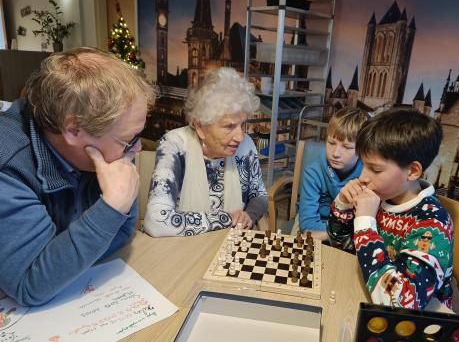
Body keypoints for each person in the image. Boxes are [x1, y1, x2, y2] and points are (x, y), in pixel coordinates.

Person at [0, 47, 155, 306]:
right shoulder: (8, 165)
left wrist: (59, 262)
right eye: (129, 140)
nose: (137, 149)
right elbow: (30, 286)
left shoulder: (100, 147)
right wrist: (112, 206)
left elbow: (119, 236)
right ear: (73, 130)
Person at [327, 107, 454, 310]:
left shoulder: (433, 223)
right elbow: (342, 246)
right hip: (367, 293)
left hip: (418, 319)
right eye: (364, 165)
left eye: (375, 169)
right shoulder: (381, 196)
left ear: (412, 171)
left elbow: (401, 302)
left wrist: (365, 224)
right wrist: (343, 204)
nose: (363, 177)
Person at [144, 67, 267, 237]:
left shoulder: (246, 146)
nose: (240, 136)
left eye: (242, 124)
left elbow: (259, 195)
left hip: (229, 244)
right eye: (229, 126)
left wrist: (249, 215)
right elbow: (156, 221)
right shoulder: (175, 144)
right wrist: (226, 218)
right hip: (179, 247)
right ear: (200, 126)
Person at [297, 107, 366, 248]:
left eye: (346, 147)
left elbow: (367, 225)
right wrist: (342, 234)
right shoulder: (313, 171)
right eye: (331, 143)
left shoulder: (368, 174)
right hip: (325, 230)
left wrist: (340, 234)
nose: (335, 153)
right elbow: (307, 226)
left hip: (347, 235)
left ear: (362, 149)